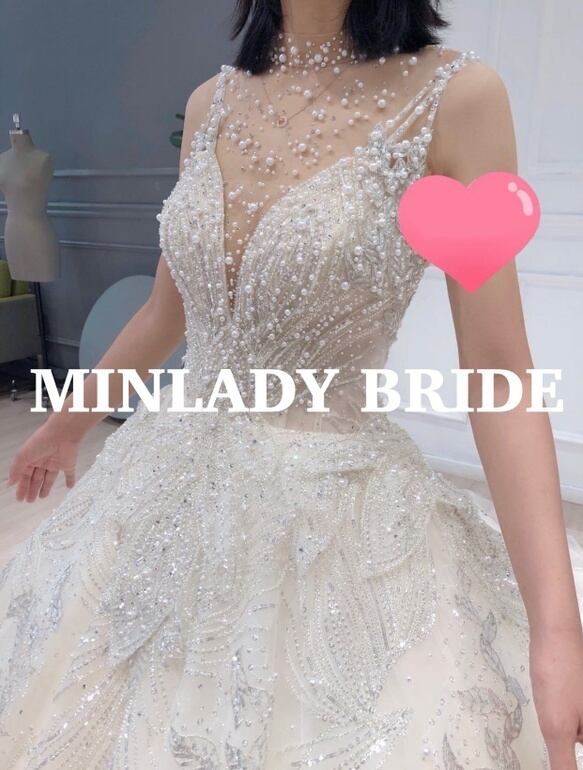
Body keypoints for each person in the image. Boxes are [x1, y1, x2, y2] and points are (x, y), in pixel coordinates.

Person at [2, 1, 583, 768]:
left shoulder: (455, 96)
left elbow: (497, 372)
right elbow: (164, 313)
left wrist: (556, 630)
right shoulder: (211, 103)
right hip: (161, 490)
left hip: (333, 519)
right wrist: (65, 425)